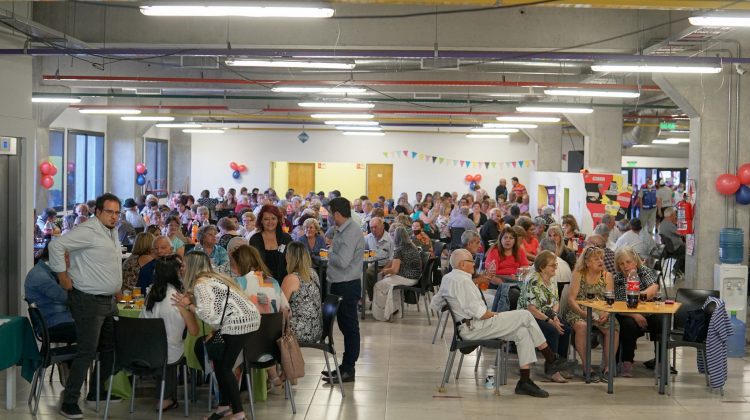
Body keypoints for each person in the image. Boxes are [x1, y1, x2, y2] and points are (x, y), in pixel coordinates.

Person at [430, 248, 569, 398]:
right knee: (525, 315)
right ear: (463, 264)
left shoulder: (449, 278)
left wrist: (454, 304)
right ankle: (551, 358)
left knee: (522, 332)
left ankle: (524, 381)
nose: (475, 264)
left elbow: (435, 305)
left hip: (470, 325)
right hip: (475, 327)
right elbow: (482, 314)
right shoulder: (464, 282)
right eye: (472, 261)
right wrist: (498, 315)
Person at [49, 193, 124, 419]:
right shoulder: (88, 230)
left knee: (110, 349)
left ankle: (95, 392)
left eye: (117, 212)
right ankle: (70, 401)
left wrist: (116, 287)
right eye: (110, 212)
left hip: (108, 300)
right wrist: (63, 277)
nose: (114, 216)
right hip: (88, 300)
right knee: (87, 351)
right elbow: (56, 246)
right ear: (98, 212)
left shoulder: (110, 232)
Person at [172, 271, 260, 420]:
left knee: (224, 368)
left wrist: (189, 306)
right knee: (218, 362)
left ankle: (239, 413)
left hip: (238, 324)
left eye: (184, 266)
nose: (181, 270)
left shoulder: (200, 284)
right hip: (249, 319)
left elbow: (207, 315)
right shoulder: (210, 279)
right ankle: (224, 406)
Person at [140, 255, 199, 411]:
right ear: (177, 272)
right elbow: (194, 331)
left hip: (144, 350)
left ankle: (166, 398)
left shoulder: (150, 295)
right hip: (169, 353)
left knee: (166, 348)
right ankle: (165, 399)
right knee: (172, 350)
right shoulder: (178, 299)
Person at [322, 197, 365, 384]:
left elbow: (343, 261)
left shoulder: (351, 232)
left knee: (349, 328)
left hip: (347, 285)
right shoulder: (343, 229)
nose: (330, 218)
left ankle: (349, 368)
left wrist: (329, 252)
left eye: (331, 214)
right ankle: (345, 365)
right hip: (341, 283)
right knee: (345, 327)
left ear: (337, 214)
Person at [565, 246, 619, 380]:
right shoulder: (579, 274)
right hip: (579, 310)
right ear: (587, 262)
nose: (601, 261)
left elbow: (610, 299)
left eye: (602, 258)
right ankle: (586, 366)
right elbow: (571, 299)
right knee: (582, 326)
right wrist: (583, 314)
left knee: (613, 326)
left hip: (600, 311)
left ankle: (608, 367)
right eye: (596, 259)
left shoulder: (607, 276)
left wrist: (606, 312)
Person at [518, 250, 572, 382]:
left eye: (555, 265)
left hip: (546, 313)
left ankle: (560, 364)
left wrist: (554, 316)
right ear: (542, 267)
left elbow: (555, 301)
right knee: (553, 330)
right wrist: (550, 321)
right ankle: (551, 370)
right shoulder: (533, 280)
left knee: (566, 329)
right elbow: (531, 309)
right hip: (528, 316)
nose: (556, 268)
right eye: (552, 265)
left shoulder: (552, 279)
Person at [612, 246, 661, 377]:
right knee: (628, 325)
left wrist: (637, 296)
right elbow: (619, 305)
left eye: (628, 262)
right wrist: (635, 315)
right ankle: (627, 362)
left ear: (635, 261)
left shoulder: (644, 271)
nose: (625, 266)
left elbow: (653, 288)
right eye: (621, 264)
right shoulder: (617, 279)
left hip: (649, 312)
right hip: (628, 313)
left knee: (661, 321)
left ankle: (661, 361)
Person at [25, 240, 76, 344]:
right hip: (53, 323)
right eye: (66, 257)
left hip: (60, 319)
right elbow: (67, 298)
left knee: (100, 326)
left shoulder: (49, 271)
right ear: (56, 257)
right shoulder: (40, 276)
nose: (69, 260)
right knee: (95, 330)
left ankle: (74, 359)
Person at [372, 227, 423, 322]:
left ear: (396, 237)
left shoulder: (399, 249)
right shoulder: (412, 246)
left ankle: (382, 314)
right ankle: (394, 309)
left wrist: (383, 272)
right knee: (388, 282)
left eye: (392, 234)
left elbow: (394, 270)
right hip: (416, 277)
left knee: (378, 285)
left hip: (407, 277)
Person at [281, 242, 323, 343]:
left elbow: (280, 306)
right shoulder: (313, 273)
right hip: (316, 330)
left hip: (298, 332)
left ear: (289, 257)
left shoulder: (291, 278)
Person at [249, 204, 293, 284]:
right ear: (261, 221)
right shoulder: (255, 239)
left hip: (284, 283)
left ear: (278, 220)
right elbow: (253, 264)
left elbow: (293, 262)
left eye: (273, 218)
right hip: (261, 283)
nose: (270, 222)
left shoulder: (286, 238)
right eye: (266, 219)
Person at [364, 217, 394, 301]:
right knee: (363, 273)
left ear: (382, 226)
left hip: (388, 265)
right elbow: (363, 251)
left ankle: (379, 300)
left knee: (372, 274)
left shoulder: (390, 239)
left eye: (375, 227)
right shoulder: (368, 238)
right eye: (371, 227)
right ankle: (372, 299)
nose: (373, 229)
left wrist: (384, 270)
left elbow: (392, 259)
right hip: (374, 264)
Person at [659, 207, 686, 276]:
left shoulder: (663, 223)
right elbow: (681, 233)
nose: (676, 216)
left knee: (685, 251)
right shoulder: (669, 224)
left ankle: (679, 271)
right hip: (675, 248)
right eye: (674, 215)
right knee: (689, 252)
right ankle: (677, 269)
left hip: (669, 248)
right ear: (671, 216)